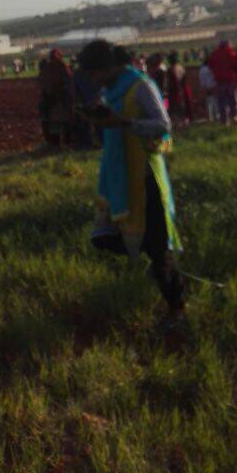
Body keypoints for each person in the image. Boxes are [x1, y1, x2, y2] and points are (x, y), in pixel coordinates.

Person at [78, 39, 184, 316]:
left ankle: (177, 308)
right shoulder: (108, 92)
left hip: (145, 178)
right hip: (119, 176)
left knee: (158, 247)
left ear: (109, 66)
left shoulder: (141, 86)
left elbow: (163, 125)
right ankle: (157, 264)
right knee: (106, 238)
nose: (93, 80)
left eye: (95, 73)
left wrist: (124, 123)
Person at [37, 48, 73, 146]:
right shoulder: (62, 66)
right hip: (58, 97)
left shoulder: (51, 67)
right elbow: (69, 79)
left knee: (52, 120)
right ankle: (64, 142)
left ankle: (56, 143)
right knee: (62, 121)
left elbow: (41, 82)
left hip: (53, 97)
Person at [208, 39, 237, 125]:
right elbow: (235, 65)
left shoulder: (214, 54)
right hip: (230, 80)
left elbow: (210, 65)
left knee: (221, 101)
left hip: (219, 81)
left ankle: (224, 119)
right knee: (233, 100)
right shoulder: (231, 52)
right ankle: (234, 117)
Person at [165, 51, 193, 126]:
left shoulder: (170, 70)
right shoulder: (181, 68)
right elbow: (185, 80)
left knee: (176, 110)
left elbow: (168, 84)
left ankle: (179, 125)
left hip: (174, 94)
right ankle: (185, 123)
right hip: (183, 92)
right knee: (183, 109)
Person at [198, 53, 217, 122]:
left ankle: (210, 117)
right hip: (214, 86)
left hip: (207, 87)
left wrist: (204, 88)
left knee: (209, 103)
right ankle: (217, 116)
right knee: (215, 102)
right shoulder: (214, 67)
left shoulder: (202, 69)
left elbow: (202, 80)